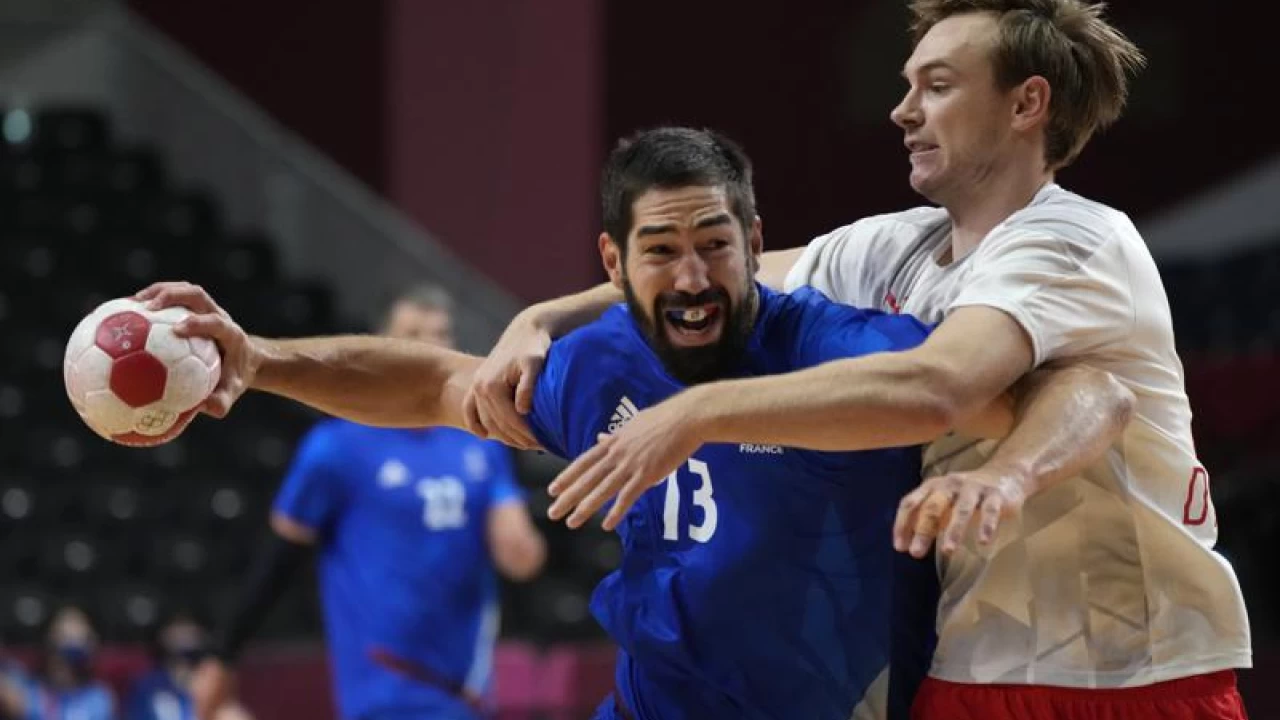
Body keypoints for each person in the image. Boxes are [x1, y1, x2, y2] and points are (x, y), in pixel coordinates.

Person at [133, 126, 1130, 720]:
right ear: (612, 262)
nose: (691, 277)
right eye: (661, 250)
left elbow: (1089, 385)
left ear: (753, 241)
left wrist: (1006, 476)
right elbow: (437, 388)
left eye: (713, 245)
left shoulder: (847, 348)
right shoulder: (603, 363)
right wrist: (260, 361)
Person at [463, 2, 1252, 719]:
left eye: (937, 86)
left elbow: (942, 385)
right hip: (969, 665)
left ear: (1026, 104)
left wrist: (696, 411)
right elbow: (717, 271)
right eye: (908, 86)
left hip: (1132, 670)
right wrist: (543, 315)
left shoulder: (1075, 239)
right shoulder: (894, 245)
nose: (902, 110)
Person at [188, 285, 547, 720]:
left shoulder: (481, 442)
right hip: (382, 695)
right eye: (412, 334)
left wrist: (523, 544)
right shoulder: (336, 447)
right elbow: (277, 562)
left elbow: (521, 559)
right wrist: (222, 654)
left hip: (465, 695)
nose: (430, 347)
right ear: (383, 347)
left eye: (441, 334)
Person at [125, 611, 253, 720]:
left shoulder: (225, 707)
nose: (184, 634)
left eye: (189, 626)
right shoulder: (147, 685)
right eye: (178, 625)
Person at [15, 606, 117, 720]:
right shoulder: (28, 693)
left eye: (76, 640)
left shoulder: (99, 697)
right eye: (62, 637)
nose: (67, 645)